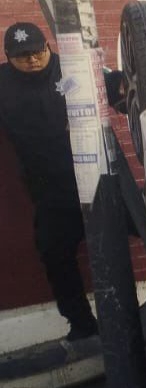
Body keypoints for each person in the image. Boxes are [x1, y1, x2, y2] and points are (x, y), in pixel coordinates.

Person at [0, 22, 97, 341]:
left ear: (48, 46)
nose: (32, 59)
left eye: (38, 51)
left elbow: (116, 87)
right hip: (51, 190)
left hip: (97, 179)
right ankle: (83, 326)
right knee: (54, 253)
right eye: (22, 55)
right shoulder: (2, 84)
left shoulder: (72, 68)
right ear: (9, 57)